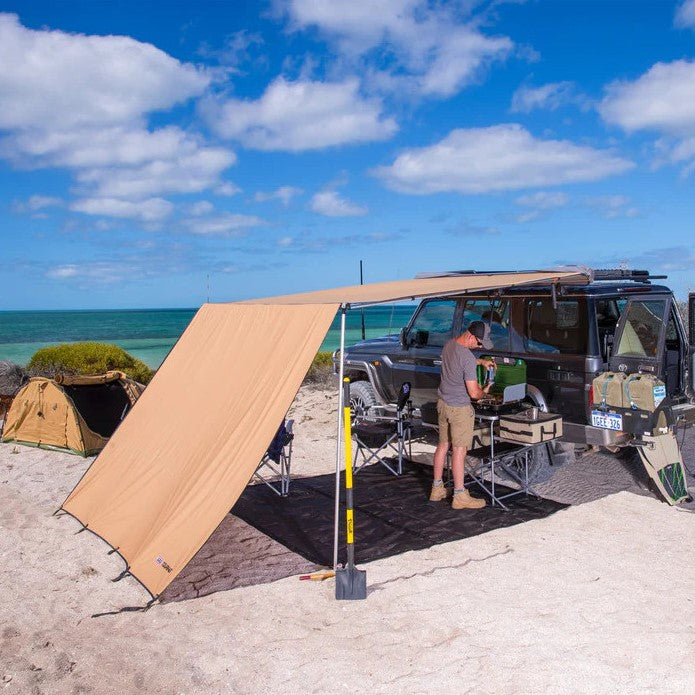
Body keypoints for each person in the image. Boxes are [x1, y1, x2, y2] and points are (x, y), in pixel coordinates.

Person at [430, 320, 494, 510]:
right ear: (471, 336)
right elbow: (474, 393)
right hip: (459, 409)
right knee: (459, 450)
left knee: (443, 445)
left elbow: (460, 359)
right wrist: (486, 391)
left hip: (443, 404)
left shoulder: (449, 345)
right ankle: (459, 495)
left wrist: (480, 361)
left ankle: (437, 489)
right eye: (479, 343)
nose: (480, 346)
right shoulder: (466, 357)